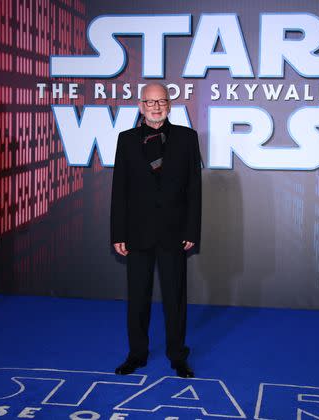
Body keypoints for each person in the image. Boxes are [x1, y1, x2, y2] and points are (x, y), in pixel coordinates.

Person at [110, 83, 202, 377]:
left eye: (161, 101)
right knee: (138, 297)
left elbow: (194, 190)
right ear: (140, 106)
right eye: (150, 102)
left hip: (174, 232)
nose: (156, 107)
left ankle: (178, 356)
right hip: (137, 233)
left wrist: (191, 229)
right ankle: (136, 354)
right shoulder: (125, 140)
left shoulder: (188, 138)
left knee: (175, 298)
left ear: (169, 105)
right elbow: (119, 191)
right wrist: (118, 233)